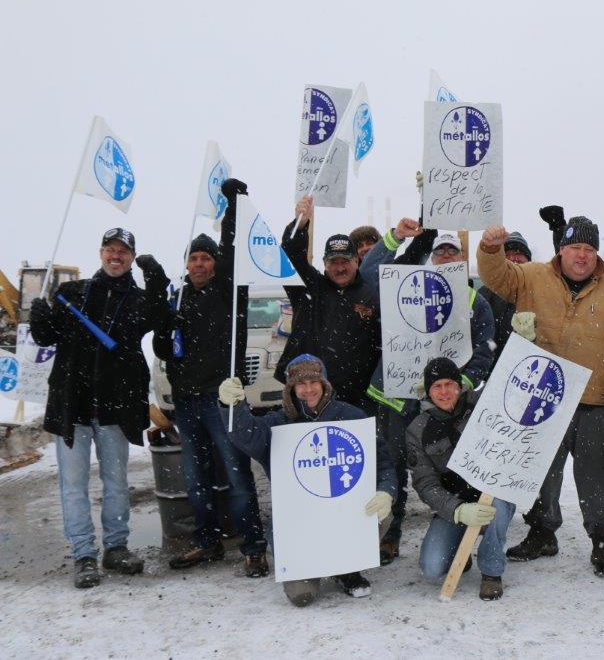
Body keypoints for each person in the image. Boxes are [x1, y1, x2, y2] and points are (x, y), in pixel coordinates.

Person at [478, 217, 604, 578]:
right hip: (542, 399)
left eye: (589, 249)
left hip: (596, 400)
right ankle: (542, 531)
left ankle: (603, 541)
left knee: (600, 475)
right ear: (562, 249)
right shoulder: (531, 277)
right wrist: (490, 248)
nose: (582, 256)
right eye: (575, 248)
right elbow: (496, 276)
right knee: (541, 471)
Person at [29, 228, 171, 588]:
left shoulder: (138, 300)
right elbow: (46, 336)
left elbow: (160, 319)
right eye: (111, 249)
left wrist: (154, 275)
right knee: (73, 484)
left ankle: (115, 548)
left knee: (116, 482)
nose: (116, 256)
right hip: (71, 407)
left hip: (115, 409)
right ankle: (83, 555)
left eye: (123, 251)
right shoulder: (71, 293)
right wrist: (38, 313)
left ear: (130, 257)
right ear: (101, 253)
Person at [152, 178, 268, 577]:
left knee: (237, 477)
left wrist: (233, 205)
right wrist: (163, 328)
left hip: (224, 402)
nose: (199, 264)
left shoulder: (228, 291)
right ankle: (206, 542)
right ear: (186, 264)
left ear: (215, 263)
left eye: (205, 258)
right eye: (193, 258)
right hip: (187, 403)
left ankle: (253, 546)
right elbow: (165, 350)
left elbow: (234, 247)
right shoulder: (179, 297)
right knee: (196, 479)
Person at [221, 354, 397, 607]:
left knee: (381, 514)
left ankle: (346, 568)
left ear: (324, 384)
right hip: (299, 523)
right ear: (291, 388)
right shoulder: (278, 423)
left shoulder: (353, 417)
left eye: (313, 382)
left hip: (343, 515)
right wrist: (232, 407)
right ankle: (312, 564)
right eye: (300, 384)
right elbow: (246, 437)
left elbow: (384, 464)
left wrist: (386, 492)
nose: (307, 389)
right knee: (301, 596)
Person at [367, 229, 495, 565]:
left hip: (446, 405)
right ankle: (389, 536)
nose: (446, 258)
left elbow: (484, 352)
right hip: (399, 397)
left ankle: (461, 528)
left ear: (462, 259)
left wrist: (456, 385)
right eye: (440, 253)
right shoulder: (404, 287)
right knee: (392, 466)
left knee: (451, 468)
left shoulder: (473, 301)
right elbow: (368, 274)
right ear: (431, 257)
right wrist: (396, 237)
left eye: (453, 253)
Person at [406, 357, 514, 601]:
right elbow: (425, 484)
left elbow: (510, 381)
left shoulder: (482, 404)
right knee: (432, 567)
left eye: (449, 384)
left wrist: (528, 341)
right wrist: (458, 510)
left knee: (498, 506)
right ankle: (459, 551)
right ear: (427, 390)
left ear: (459, 385)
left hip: (493, 491)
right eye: (436, 386)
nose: (444, 392)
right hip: (455, 504)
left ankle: (491, 571)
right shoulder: (417, 429)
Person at [277, 196, 381, 414]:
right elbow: (290, 256)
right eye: (334, 262)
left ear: (356, 261)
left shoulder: (373, 294)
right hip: (309, 395)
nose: (340, 267)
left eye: (345, 261)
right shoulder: (309, 287)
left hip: (358, 397)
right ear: (324, 263)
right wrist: (300, 224)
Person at [477, 231, 533, 360]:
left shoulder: (539, 291)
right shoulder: (483, 294)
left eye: (519, 253)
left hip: (528, 370)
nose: (514, 258)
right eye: (507, 254)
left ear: (529, 260)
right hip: (489, 370)